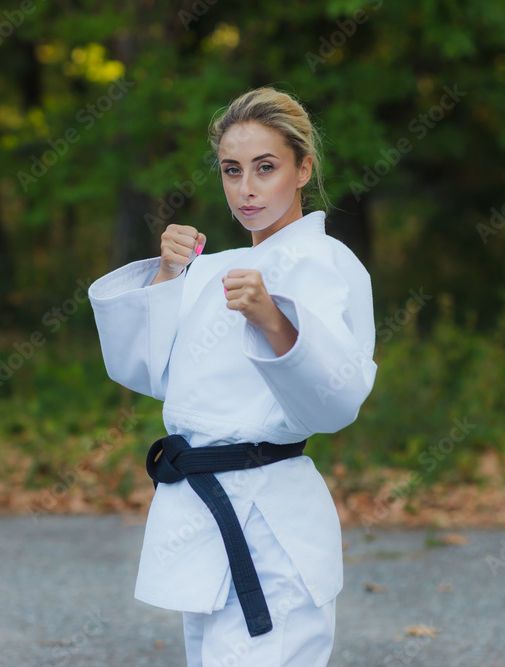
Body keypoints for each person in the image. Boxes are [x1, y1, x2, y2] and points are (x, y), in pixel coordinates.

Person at [88, 86, 377, 666]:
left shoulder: (327, 261)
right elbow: (147, 370)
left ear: (303, 169)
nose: (246, 187)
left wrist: (274, 320)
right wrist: (168, 275)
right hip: (201, 513)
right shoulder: (212, 269)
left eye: (265, 168)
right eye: (231, 169)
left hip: (272, 520)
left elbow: (336, 400)